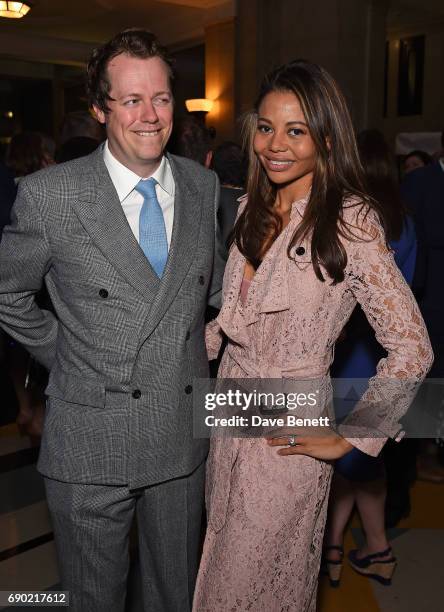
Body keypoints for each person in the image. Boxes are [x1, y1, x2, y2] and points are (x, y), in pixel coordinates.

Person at [192, 60, 432, 612]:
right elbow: (232, 324)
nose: (275, 145)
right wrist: (167, 354)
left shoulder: (351, 221)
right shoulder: (253, 207)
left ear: (325, 138)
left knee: (251, 590)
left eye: (295, 130)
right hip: (228, 417)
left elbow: (412, 346)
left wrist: (355, 435)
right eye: (266, 127)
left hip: (288, 434)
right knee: (218, 568)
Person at [0, 28, 219, 612]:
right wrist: (64, 349)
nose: (150, 115)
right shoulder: (50, 196)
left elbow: (211, 297)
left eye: (163, 98)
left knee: (176, 597)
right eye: (131, 100)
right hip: (90, 441)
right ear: (100, 110)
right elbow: (6, 293)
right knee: (92, 600)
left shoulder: (203, 187)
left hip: (179, 436)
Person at [324, 129, 418, 587]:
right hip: (391, 363)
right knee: (364, 457)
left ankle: (338, 549)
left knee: (346, 456)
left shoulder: (352, 223)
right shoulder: (404, 221)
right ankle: (366, 549)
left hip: (352, 357)